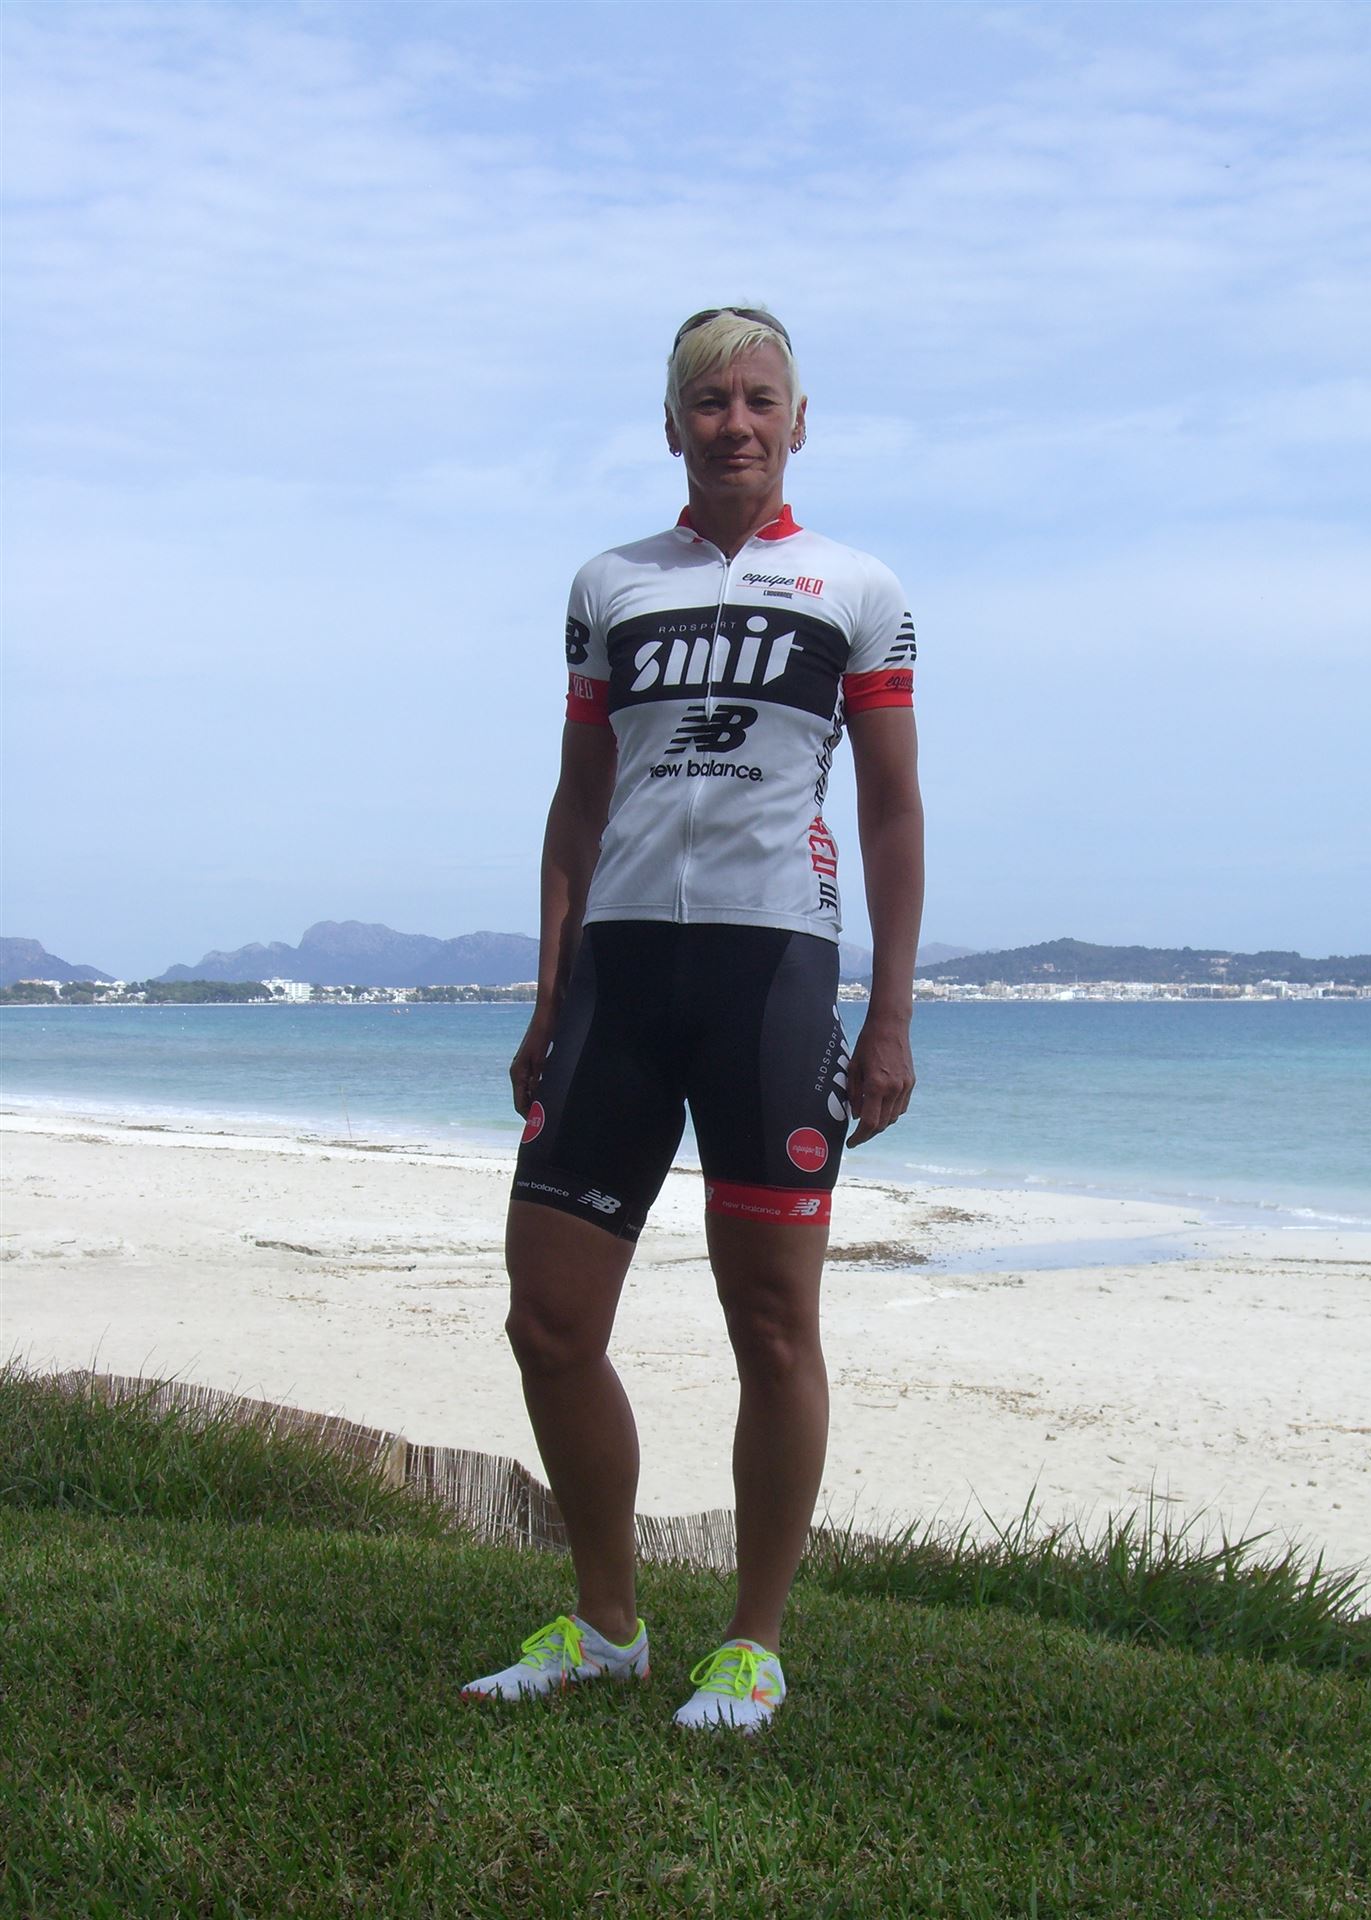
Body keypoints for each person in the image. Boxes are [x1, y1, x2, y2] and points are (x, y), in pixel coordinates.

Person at [461, 306, 924, 1731]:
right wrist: (549, 994)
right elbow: (577, 804)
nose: (735, 423)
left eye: (760, 399)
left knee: (773, 1326)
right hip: (618, 976)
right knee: (549, 1321)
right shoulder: (611, 584)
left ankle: (752, 1643)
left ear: (799, 421)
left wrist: (890, 1017)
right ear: (673, 424)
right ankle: (608, 1625)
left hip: (771, 976)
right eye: (709, 402)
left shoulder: (856, 588)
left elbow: (893, 810)